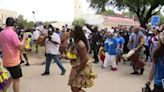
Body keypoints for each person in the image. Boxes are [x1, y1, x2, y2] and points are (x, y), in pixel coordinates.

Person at [0, 17, 28, 92]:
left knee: (11, 77)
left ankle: (3, 90)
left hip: (5, 60)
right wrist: (24, 38)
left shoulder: (2, 33)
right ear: (14, 24)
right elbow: (20, 47)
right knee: (16, 80)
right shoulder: (12, 33)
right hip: (13, 62)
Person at [68, 26, 96, 92]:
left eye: (71, 31)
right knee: (74, 87)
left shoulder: (80, 44)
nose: (69, 32)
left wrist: (78, 70)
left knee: (75, 88)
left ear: (75, 33)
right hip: (76, 66)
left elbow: (85, 58)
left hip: (81, 67)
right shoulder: (75, 42)